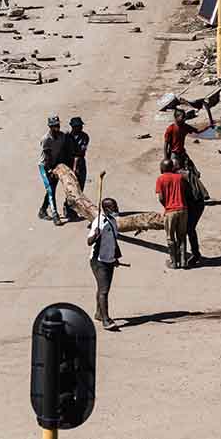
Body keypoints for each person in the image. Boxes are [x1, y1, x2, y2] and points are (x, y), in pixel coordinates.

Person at [87, 196, 122, 330]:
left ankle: (98, 313)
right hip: (98, 261)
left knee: (102, 288)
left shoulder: (112, 221)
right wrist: (95, 235)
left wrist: (115, 257)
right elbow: (89, 242)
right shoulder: (98, 223)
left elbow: (113, 240)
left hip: (109, 259)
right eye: (114, 207)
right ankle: (106, 320)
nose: (117, 209)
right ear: (106, 209)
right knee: (104, 290)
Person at [38, 115, 78, 225]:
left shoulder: (62, 136)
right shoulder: (46, 139)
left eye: (58, 125)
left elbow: (64, 150)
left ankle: (42, 210)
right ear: (49, 127)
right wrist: (50, 170)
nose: (57, 128)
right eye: (54, 126)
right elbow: (47, 156)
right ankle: (55, 215)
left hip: (56, 165)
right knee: (50, 189)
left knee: (52, 188)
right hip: (45, 166)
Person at [156, 159, 188, 269]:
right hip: (183, 209)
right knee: (182, 236)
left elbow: (160, 197)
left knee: (170, 238)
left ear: (162, 168)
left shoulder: (160, 179)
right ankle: (184, 261)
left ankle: (173, 262)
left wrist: (166, 205)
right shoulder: (180, 178)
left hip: (170, 211)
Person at [163, 107, 213, 172]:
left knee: (193, 171)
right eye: (182, 117)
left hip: (182, 153)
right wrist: (166, 158)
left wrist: (208, 126)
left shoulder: (185, 126)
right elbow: (166, 145)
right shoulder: (171, 128)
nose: (184, 119)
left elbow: (197, 131)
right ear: (176, 117)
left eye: (185, 117)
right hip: (174, 154)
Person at [69, 116, 89, 192]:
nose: (81, 128)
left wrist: (75, 167)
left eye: (81, 126)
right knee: (70, 186)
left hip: (80, 163)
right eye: (78, 126)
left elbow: (80, 153)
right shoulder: (67, 137)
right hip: (69, 163)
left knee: (80, 186)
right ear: (73, 127)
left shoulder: (85, 137)